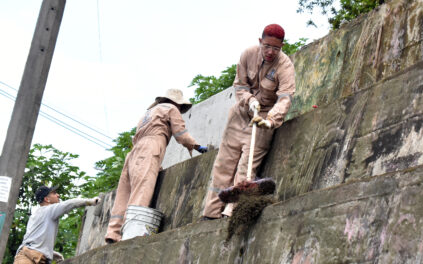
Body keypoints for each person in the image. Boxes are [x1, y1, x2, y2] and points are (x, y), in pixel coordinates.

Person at [202, 24, 296, 220]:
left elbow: (285, 97)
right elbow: (239, 86)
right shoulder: (247, 55)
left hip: (263, 117)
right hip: (241, 113)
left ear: (282, 46)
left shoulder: (285, 66)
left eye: (276, 48)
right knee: (223, 163)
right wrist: (249, 100)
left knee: (246, 168)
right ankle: (211, 213)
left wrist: (270, 121)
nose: (271, 52)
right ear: (260, 41)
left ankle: (232, 212)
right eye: (267, 46)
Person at [105, 88, 207, 243]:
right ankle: (130, 234)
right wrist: (196, 146)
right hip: (150, 147)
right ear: (176, 102)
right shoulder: (171, 108)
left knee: (124, 192)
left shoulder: (148, 113)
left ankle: (113, 232)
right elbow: (180, 133)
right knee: (142, 189)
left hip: (134, 152)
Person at [14, 185, 101, 264]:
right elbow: (70, 203)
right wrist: (90, 201)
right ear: (46, 199)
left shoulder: (36, 214)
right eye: (54, 193)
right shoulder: (49, 210)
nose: (58, 195)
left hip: (27, 255)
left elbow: (35, 241)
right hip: (28, 258)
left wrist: (50, 252)